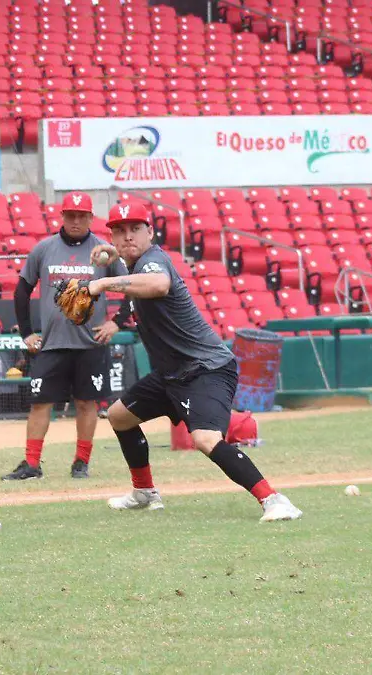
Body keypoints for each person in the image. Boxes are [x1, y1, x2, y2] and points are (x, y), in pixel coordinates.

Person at [87, 202, 302, 522]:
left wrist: (102, 283)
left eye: (135, 229)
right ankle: (144, 492)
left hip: (207, 368)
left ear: (150, 233)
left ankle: (274, 499)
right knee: (120, 416)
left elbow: (158, 283)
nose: (128, 236)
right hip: (172, 374)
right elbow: (134, 268)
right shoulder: (134, 263)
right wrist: (115, 255)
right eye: (119, 231)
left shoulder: (154, 260)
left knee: (204, 439)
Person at [2, 192, 127, 481]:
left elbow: (129, 285)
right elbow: (22, 290)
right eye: (71, 215)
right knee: (40, 403)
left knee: (87, 403)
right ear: (62, 216)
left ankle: (81, 462)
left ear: (91, 218)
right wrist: (26, 332)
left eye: (82, 215)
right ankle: (32, 464)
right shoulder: (44, 249)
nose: (76, 220)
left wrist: (117, 323)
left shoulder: (105, 251)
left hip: (90, 344)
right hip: (52, 344)